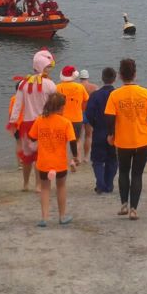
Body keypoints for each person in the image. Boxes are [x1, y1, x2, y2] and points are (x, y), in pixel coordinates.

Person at [105, 58, 147, 219]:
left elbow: (109, 118)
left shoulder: (115, 95)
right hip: (143, 140)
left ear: (120, 75)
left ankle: (124, 205)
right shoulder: (145, 93)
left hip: (123, 141)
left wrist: (111, 135)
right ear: (135, 74)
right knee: (137, 174)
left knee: (123, 171)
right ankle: (134, 209)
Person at [8, 49, 57, 192]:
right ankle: (38, 185)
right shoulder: (50, 84)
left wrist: (13, 122)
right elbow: (56, 104)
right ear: (43, 67)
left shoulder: (23, 84)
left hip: (27, 123)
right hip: (44, 122)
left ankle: (25, 184)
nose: (49, 70)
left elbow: (17, 105)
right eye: (48, 67)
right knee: (40, 156)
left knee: (27, 157)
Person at [28, 93, 78, 227]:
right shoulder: (66, 122)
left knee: (45, 188)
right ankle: (62, 216)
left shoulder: (40, 120)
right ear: (61, 107)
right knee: (61, 187)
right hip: (59, 162)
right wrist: (75, 156)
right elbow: (72, 141)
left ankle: (44, 218)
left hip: (44, 162)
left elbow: (32, 137)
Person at [84, 67, 118, 195]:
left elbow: (88, 113)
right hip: (114, 131)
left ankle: (100, 184)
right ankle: (109, 184)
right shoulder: (117, 94)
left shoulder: (95, 95)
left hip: (99, 130)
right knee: (112, 159)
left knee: (97, 160)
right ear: (115, 79)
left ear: (102, 78)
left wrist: (95, 124)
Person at [56, 65, 89, 160]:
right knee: (76, 140)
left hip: (61, 118)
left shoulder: (57, 87)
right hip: (77, 118)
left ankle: (61, 159)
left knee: (61, 141)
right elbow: (86, 100)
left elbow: (54, 103)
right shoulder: (80, 87)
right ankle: (75, 160)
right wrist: (81, 109)